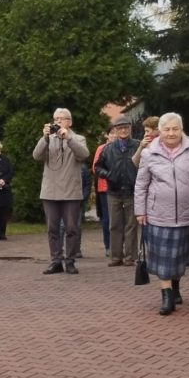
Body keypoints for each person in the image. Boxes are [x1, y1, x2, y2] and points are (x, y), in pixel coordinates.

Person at [135, 113, 189, 316]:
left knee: (178, 257)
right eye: (166, 129)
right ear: (160, 131)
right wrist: (140, 210)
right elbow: (141, 185)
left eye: (175, 129)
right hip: (158, 215)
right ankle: (166, 296)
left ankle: (175, 286)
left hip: (187, 213)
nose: (171, 133)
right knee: (163, 257)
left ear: (181, 130)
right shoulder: (149, 154)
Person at [32, 108, 89, 274]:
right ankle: (55, 260)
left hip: (71, 191)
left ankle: (70, 261)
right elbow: (36, 156)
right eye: (55, 119)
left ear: (69, 122)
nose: (58, 121)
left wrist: (68, 138)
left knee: (71, 228)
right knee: (52, 228)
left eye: (62, 119)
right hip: (50, 191)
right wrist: (44, 138)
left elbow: (84, 154)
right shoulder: (48, 139)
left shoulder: (78, 138)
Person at [95, 115, 139, 267]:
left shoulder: (137, 145)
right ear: (115, 130)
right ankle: (115, 256)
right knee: (114, 224)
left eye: (126, 128)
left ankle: (130, 257)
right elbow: (97, 167)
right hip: (113, 191)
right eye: (120, 128)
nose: (123, 131)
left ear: (130, 129)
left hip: (132, 191)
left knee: (131, 225)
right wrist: (107, 175)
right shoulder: (108, 149)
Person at [91, 130, 112, 256]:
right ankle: (108, 245)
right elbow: (95, 168)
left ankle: (121, 245)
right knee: (107, 218)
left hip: (122, 188)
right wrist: (109, 174)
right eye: (112, 133)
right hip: (105, 187)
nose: (115, 135)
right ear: (107, 135)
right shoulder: (102, 148)